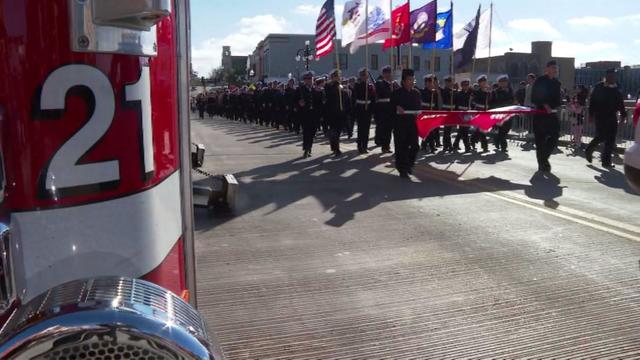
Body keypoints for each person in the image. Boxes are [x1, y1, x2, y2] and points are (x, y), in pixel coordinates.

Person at [586, 68, 627, 168]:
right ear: (607, 76)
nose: (613, 78)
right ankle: (589, 148)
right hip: (600, 115)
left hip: (612, 116)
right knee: (601, 136)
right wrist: (591, 115)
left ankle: (606, 162)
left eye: (614, 76)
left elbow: (620, 102)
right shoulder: (599, 86)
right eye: (611, 76)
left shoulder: (617, 87)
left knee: (611, 139)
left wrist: (623, 114)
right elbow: (593, 101)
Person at [531, 60, 562, 173]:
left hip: (552, 114)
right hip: (541, 114)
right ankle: (542, 163)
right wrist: (545, 105)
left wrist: (558, 106)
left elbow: (558, 99)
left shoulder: (557, 83)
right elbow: (535, 96)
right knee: (540, 140)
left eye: (556, 68)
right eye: (553, 67)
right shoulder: (540, 81)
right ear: (547, 69)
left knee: (555, 135)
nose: (555, 70)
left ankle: (543, 158)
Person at [392, 68, 422, 179]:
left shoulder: (416, 93)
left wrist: (418, 113)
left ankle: (409, 164)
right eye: (409, 79)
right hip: (400, 124)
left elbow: (419, 108)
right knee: (401, 147)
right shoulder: (396, 93)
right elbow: (390, 108)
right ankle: (402, 169)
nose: (412, 81)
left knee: (415, 146)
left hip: (412, 124)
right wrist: (396, 107)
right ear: (404, 81)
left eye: (413, 79)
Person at [296, 71, 321, 158]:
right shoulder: (300, 89)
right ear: (304, 80)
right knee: (306, 132)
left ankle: (309, 147)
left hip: (314, 115)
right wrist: (299, 103)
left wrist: (320, 94)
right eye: (307, 79)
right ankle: (306, 149)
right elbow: (294, 101)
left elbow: (319, 102)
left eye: (310, 78)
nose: (309, 80)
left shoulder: (315, 89)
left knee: (313, 132)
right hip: (305, 114)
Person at [324, 69, 348, 156]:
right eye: (336, 76)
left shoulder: (341, 86)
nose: (338, 77)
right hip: (332, 111)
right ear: (332, 77)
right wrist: (336, 88)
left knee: (338, 131)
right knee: (335, 131)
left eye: (339, 76)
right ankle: (336, 148)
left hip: (340, 112)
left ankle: (334, 146)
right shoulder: (328, 85)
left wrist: (345, 92)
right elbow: (328, 96)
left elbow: (345, 98)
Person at [491, 74, 515, 153]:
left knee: (506, 129)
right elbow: (492, 103)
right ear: (499, 83)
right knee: (501, 130)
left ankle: (497, 139)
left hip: (509, 113)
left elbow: (514, 100)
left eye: (505, 81)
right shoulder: (496, 92)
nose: (504, 83)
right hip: (499, 113)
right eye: (502, 82)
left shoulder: (511, 90)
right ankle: (503, 146)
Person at [353, 68, 375, 154]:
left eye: (366, 76)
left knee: (366, 128)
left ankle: (365, 146)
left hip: (368, 109)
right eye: (363, 75)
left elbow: (373, 98)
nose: (365, 77)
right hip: (360, 108)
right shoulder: (357, 85)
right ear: (361, 76)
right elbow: (355, 96)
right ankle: (360, 145)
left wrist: (372, 110)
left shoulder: (370, 86)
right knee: (361, 128)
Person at [374, 66, 395, 153]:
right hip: (382, 109)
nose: (388, 75)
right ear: (383, 74)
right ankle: (384, 146)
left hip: (391, 110)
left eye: (389, 73)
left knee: (389, 129)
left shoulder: (394, 84)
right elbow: (380, 94)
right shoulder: (380, 83)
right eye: (386, 73)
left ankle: (387, 146)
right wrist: (389, 87)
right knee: (384, 129)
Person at [420, 74, 440, 153]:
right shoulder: (422, 91)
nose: (430, 84)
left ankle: (426, 145)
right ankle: (430, 146)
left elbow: (436, 104)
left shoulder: (434, 93)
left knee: (431, 130)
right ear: (425, 83)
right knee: (428, 131)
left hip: (432, 113)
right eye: (428, 82)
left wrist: (436, 112)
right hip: (425, 112)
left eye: (431, 82)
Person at [470, 75, 490, 152]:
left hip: (486, 111)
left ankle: (473, 140)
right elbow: (473, 101)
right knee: (481, 129)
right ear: (479, 83)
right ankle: (484, 146)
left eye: (485, 82)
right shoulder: (477, 92)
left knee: (482, 129)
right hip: (478, 111)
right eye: (482, 82)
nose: (484, 83)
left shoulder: (488, 92)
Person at [453, 78, 472, 153]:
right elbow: (456, 104)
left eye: (467, 85)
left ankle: (455, 144)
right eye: (464, 85)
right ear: (461, 86)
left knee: (462, 131)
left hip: (467, 113)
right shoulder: (459, 93)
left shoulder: (470, 93)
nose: (466, 86)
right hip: (461, 113)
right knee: (464, 131)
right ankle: (467, 147)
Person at [440, 75, 456, 153]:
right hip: (446, 111)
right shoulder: (444, 90)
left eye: (450, 82)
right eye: (447, 82)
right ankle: (447, 145)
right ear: (445, 83)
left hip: (452, 112)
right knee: (446, 130)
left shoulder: (454, 91)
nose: (449, 83)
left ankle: (447, 145)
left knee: (448, 130)